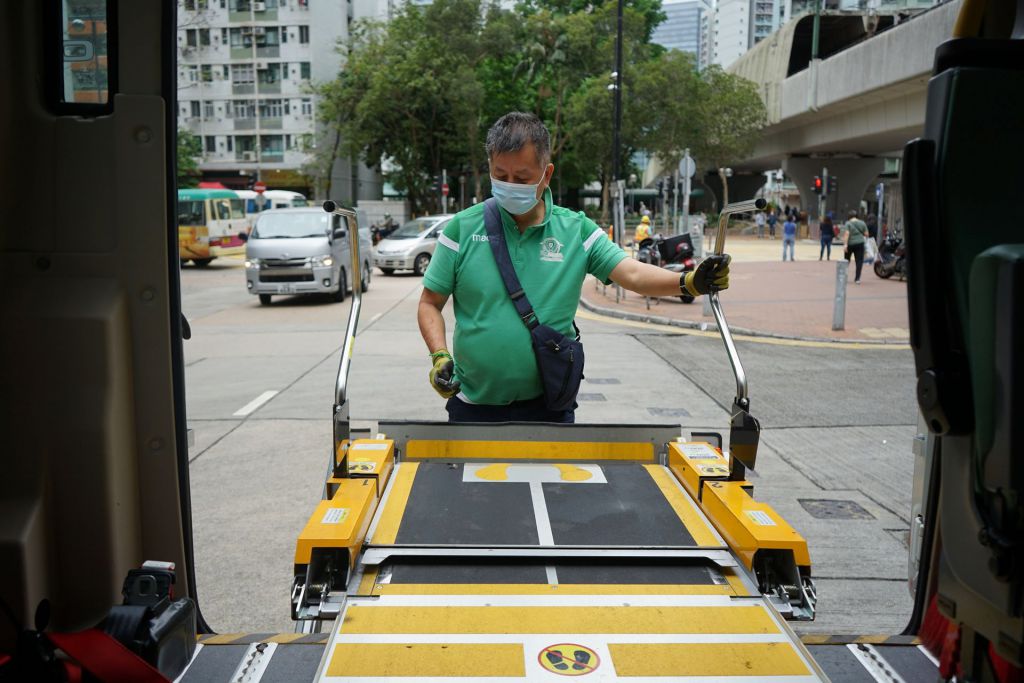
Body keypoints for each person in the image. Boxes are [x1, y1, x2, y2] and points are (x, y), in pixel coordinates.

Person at [418, 112, 732, 423]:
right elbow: (430, 303)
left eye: (522, 178)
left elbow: (632, 273)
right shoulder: (461, 229)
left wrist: (689, 282)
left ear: (547, 174)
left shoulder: (575, 231)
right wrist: (439, 356)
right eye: (500, 176)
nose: (509, 185)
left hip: (550, 405)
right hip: (472, 405)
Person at [842, 209, 870, 283]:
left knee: (846, 261)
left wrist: (845, 245)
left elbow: (846, 234)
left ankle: (844, 277)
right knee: (859, 261)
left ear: (849, 216)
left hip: (850, 244)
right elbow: (866, 234)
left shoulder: (848, 223)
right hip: (860, 244)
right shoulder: (862, 223)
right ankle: (857, 279)